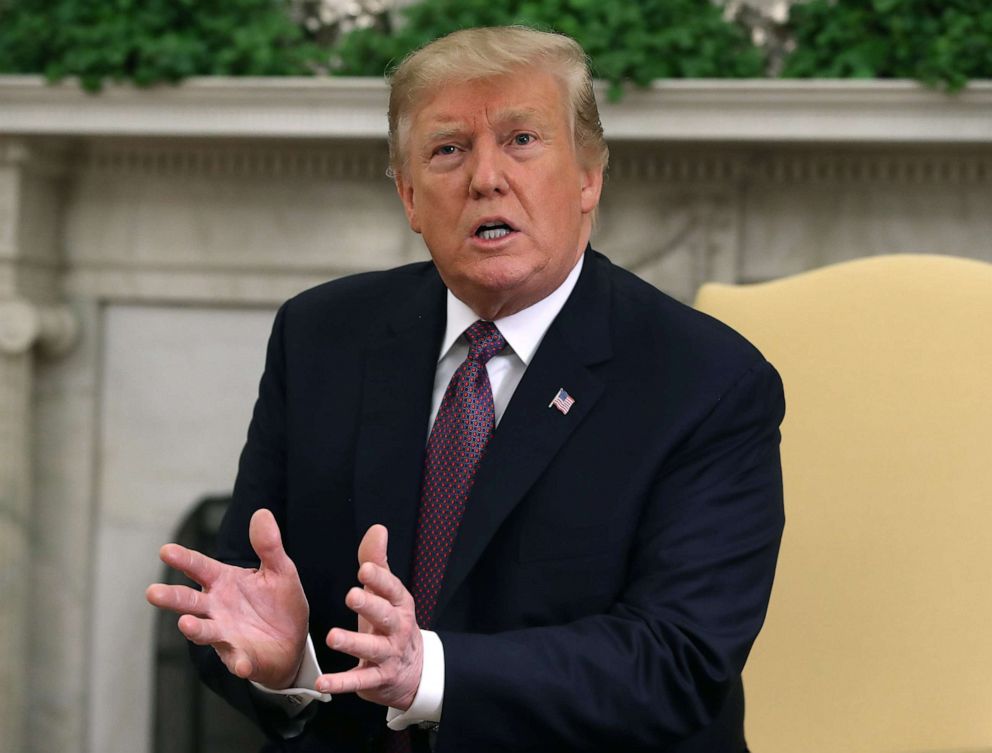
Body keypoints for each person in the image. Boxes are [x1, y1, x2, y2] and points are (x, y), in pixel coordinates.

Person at [146, 25, 785, 753]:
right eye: (449, 149)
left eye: (521, 140)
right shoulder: (321, 336)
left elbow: (679, 661)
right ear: (410, 195)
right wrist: (289, 663)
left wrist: (431, 672)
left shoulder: (707, 380)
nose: (485, 177)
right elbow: (241, 600)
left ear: (588, 178)